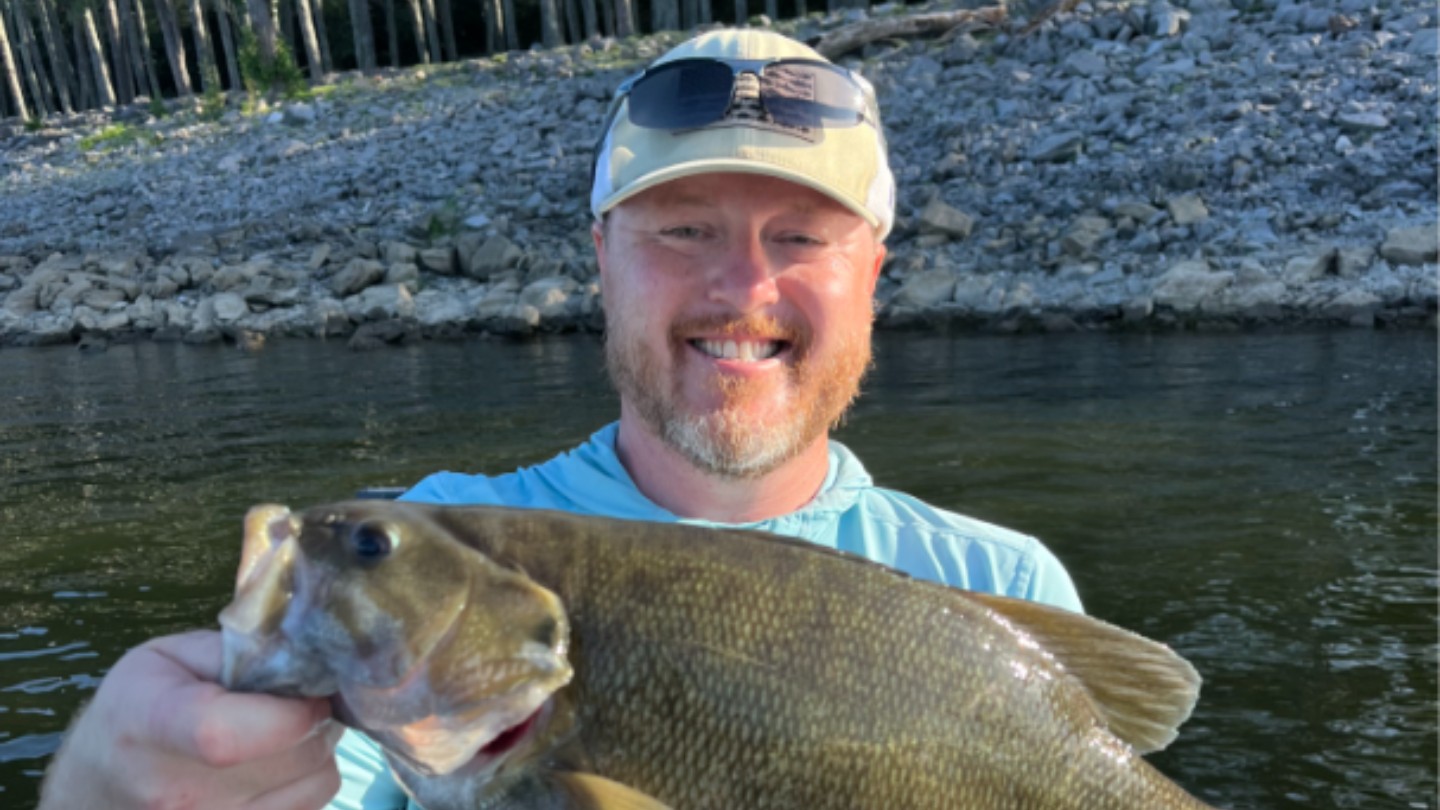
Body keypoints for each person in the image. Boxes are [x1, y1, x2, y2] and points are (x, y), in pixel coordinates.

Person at [37, 28, 1081, 810]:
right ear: (603, 261)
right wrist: (103, 788)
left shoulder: (1002, 587)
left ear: (873, 277)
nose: (742, 286)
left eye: (802, 238)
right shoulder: (444, 535)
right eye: (683, 229)